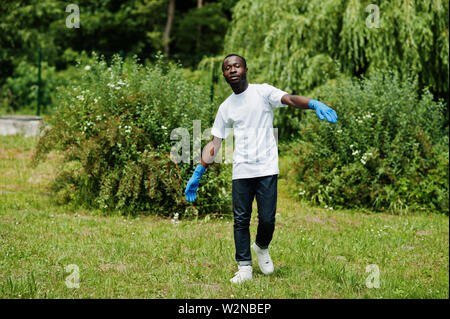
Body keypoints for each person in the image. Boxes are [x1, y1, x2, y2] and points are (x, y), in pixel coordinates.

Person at [184, 54, 337, 284]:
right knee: (240, 220)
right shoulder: (225, 107)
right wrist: (199, 171)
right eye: (227, 68)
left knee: (267, 219)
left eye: (237, 65)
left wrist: (312, 103)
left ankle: (262, 247)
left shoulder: (262, 92)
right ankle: (244, 267)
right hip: (242, 171)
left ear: (245, 69)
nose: (232, 70)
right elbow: (215, 143)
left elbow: (290, 99)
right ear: (224, 75)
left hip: (266, 168)